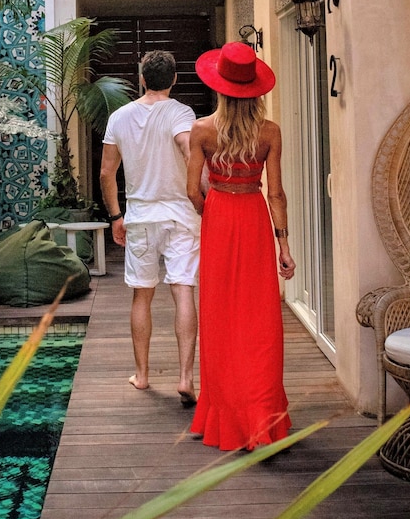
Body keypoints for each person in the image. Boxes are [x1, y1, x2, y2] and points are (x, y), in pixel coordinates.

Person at [186, 41, 295, 451]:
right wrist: (284, 246)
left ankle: (225, 414)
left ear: (220, 87)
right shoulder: (270, 132)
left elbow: (191, 190)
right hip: (253, 218)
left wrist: (212, 214)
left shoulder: (202, 130)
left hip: (219, 218)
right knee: (259, 320)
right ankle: (262, 417)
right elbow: (276, 194)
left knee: (220, 318)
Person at [99, 49, 201, 406]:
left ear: (142, 78)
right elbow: (187, 148)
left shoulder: (119, 117)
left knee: (142, 294)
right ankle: (186, 378)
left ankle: (142, 376)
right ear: (174, 79)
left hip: (140, 216)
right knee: (183, 290)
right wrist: (201, 193)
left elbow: (106, 173)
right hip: (181, 216)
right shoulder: (181, 113)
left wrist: (116, 216)